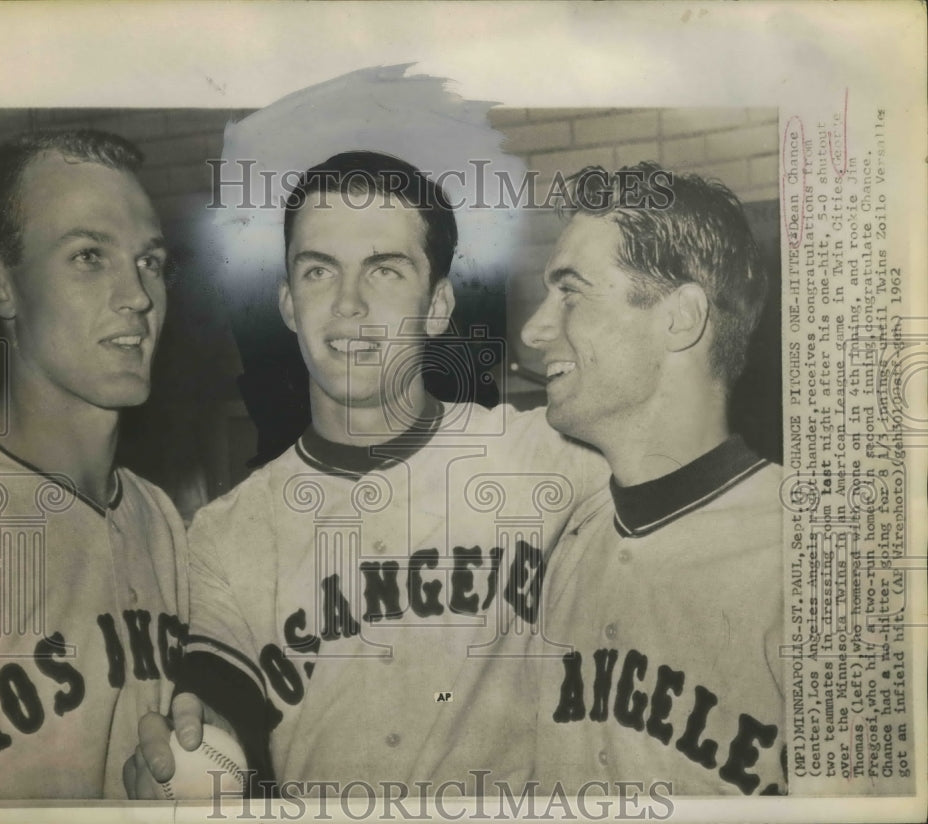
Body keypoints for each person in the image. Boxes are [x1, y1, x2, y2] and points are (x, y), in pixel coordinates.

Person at [128, 151, 608, 799]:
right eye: (319, 271)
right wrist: (195, 733)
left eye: (384, 271)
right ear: (289, 304)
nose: (348, 305)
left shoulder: (553, 457)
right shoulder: (226, 531)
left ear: (438, 304)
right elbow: (221, 695)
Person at [522, 162, 784, 795]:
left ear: (679, 317)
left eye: (571, 292)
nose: (533, 329)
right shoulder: (571, 540)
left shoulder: (815, 556)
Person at [0, 130, 188, 799]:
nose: (138, 296)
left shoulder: (162, 520)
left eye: (150, 262)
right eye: (90, 256)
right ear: (2, 288)